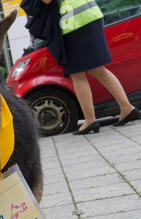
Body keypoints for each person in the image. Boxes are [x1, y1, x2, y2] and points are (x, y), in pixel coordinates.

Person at [40, 0, 140, 135]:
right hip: (90, 14)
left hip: (74, 22)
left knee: (77, 74)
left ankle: (90, 120)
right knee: (98, 69)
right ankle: (126, 108)